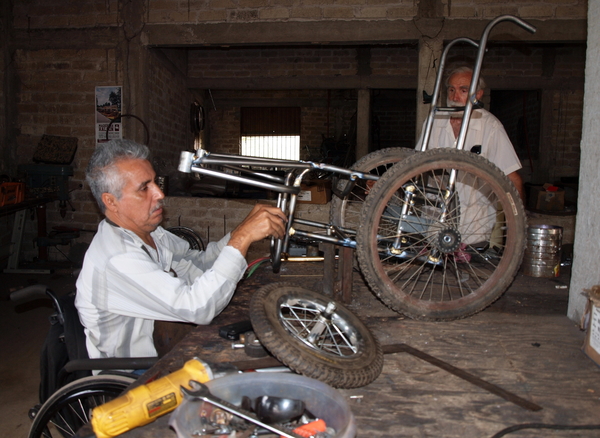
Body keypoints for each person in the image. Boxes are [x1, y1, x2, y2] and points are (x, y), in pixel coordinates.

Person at [75, 139, 287, 361]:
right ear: (111, 201)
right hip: (135, 371)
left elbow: (201, 262)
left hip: (165, 346)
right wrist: (243, 238)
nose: (159, 194)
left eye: (155, 182)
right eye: (144, 188)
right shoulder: (117, 258)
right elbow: (198, 307)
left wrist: (240, 233)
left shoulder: (152, 233)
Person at [415, 65, 525, 201]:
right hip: (435, 212)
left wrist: (518, 220)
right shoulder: (434, 120)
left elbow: (511, 178)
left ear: (478, 95)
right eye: (451, 90)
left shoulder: (490, 126)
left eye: (463, 90)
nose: (455, 97)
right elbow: (416, 164)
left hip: (475, 217)